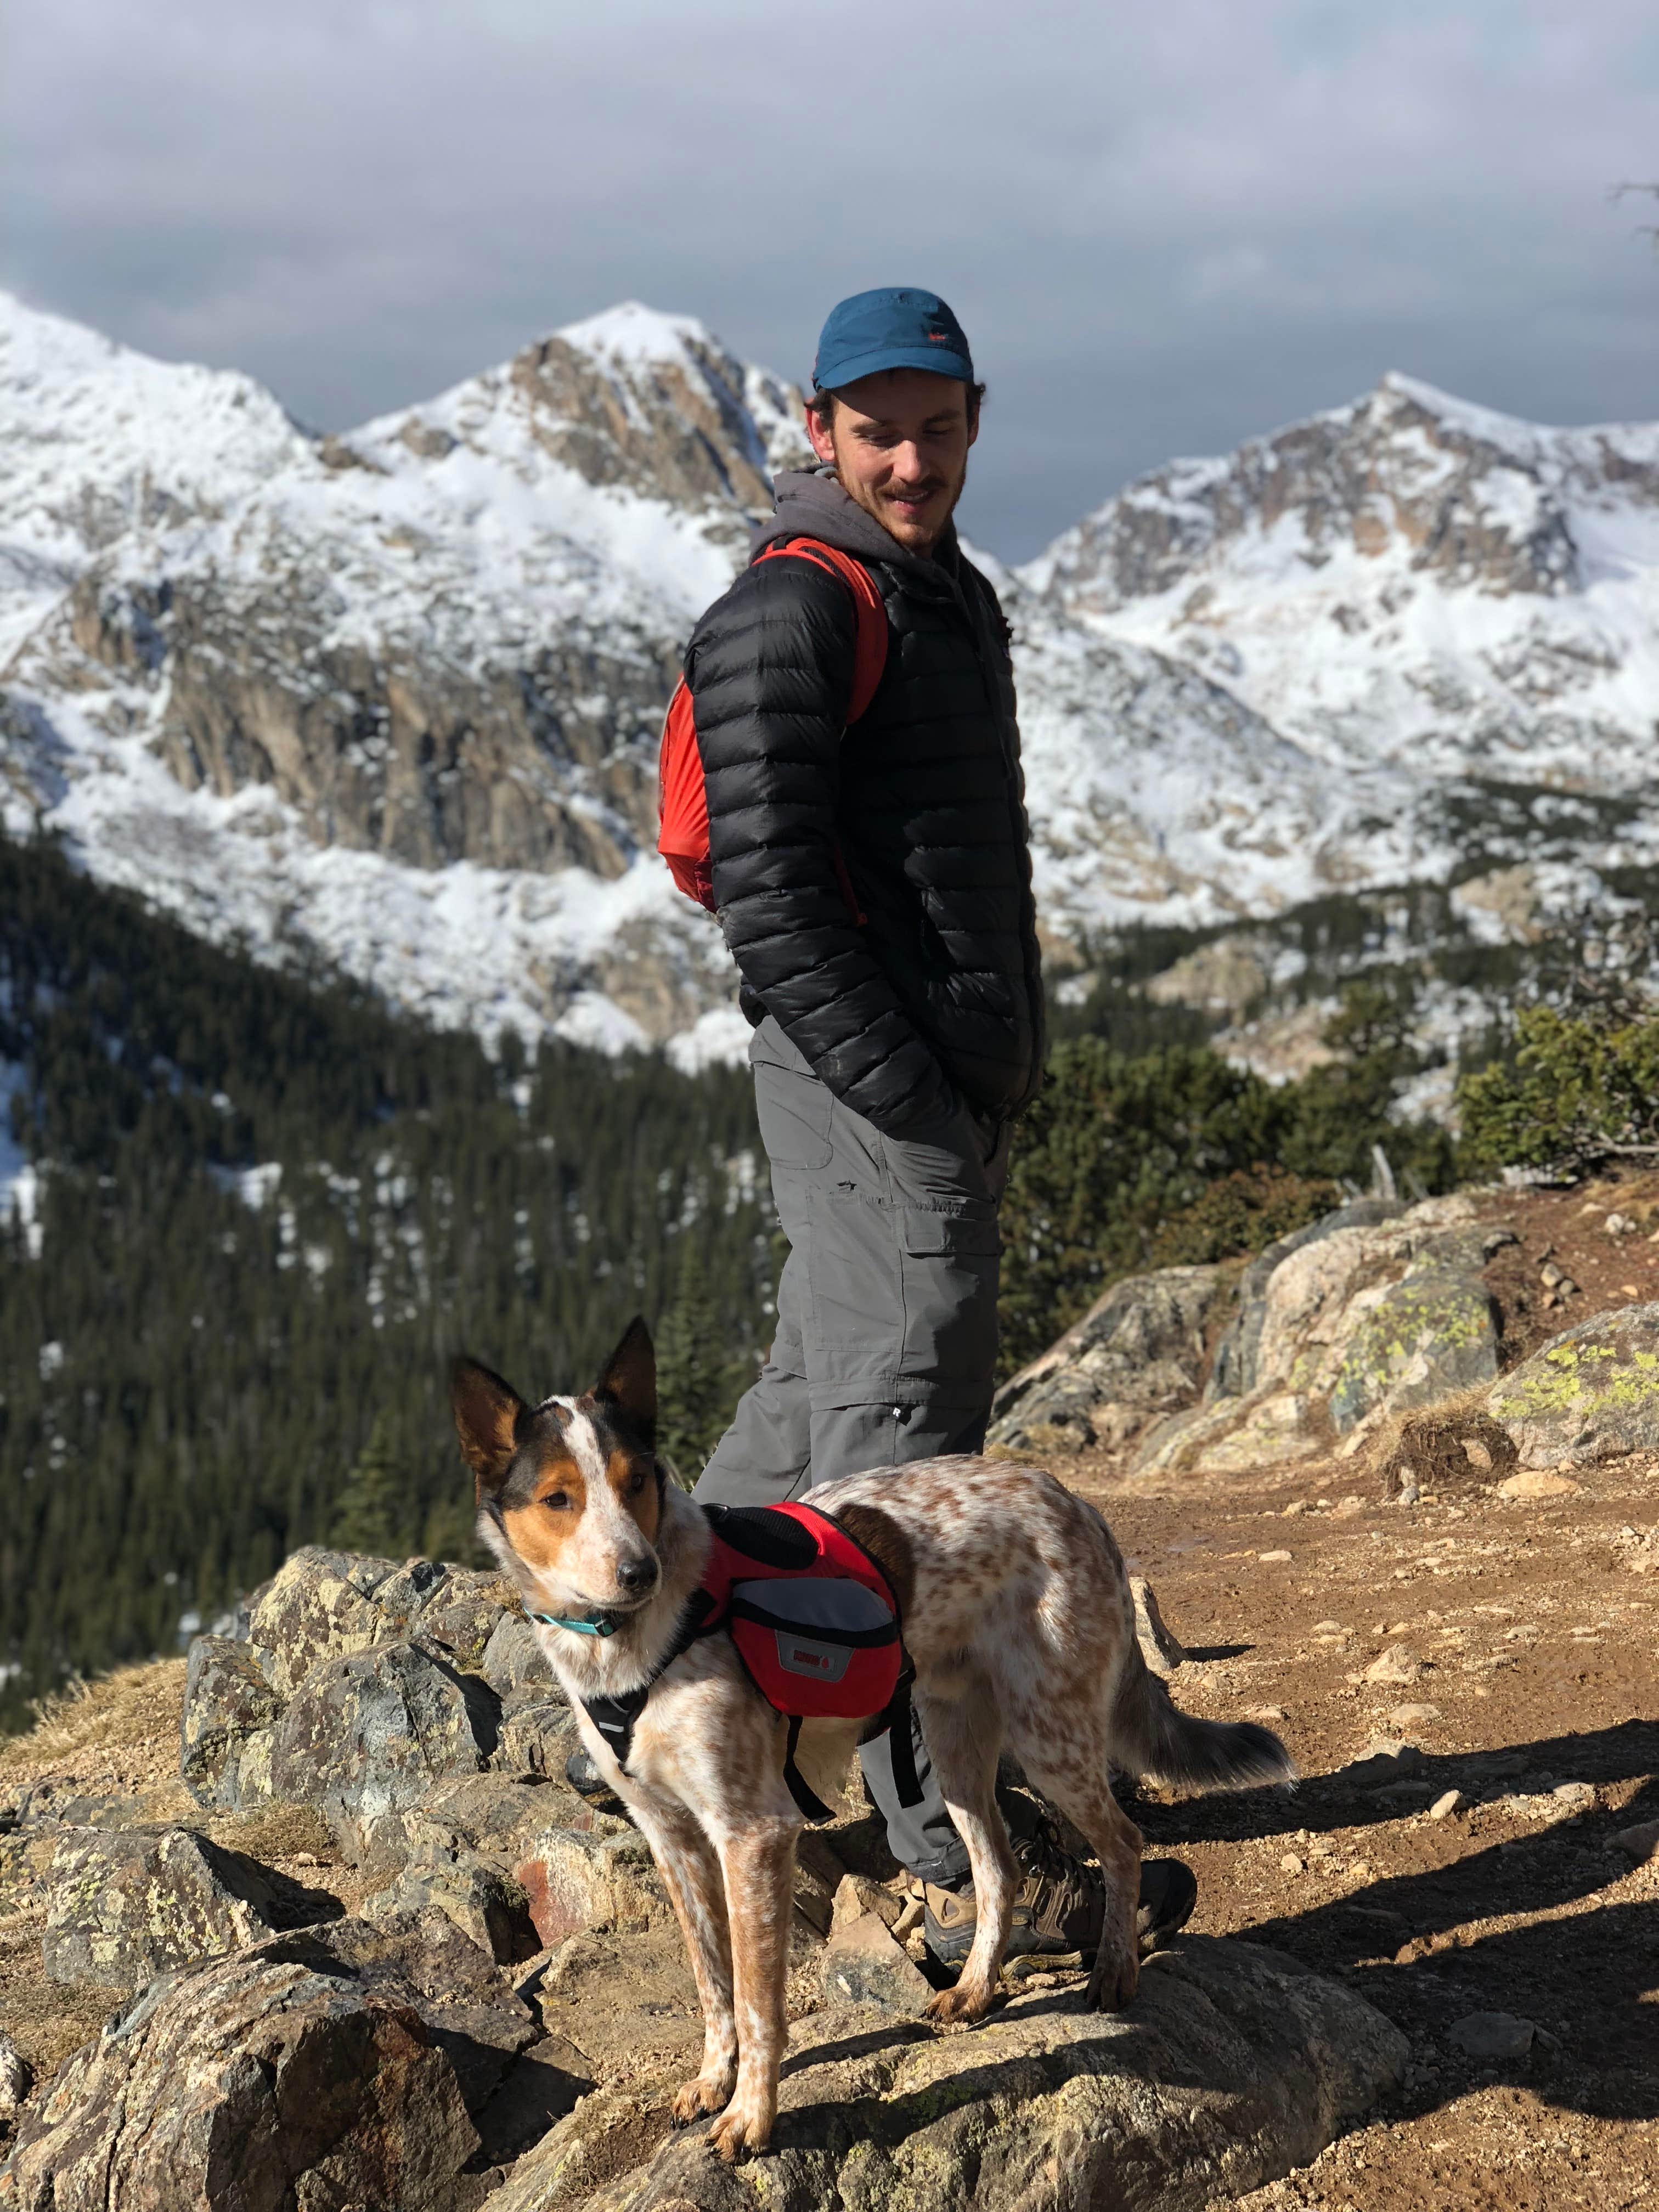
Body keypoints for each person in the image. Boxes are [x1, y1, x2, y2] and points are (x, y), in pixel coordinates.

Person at [582, 287, 1193, 1965]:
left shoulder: (937, 590)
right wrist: (915, 1089)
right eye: (878, 429)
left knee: (816, 1398)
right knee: (905, 1413)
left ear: (976, 420)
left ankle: (663, 1683)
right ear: (820, 427)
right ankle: (941, 1854)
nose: (911, 457)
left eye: (937, 425)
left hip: (919, 1076)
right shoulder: (795, 607)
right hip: (874, 1078)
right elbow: (769, 899)